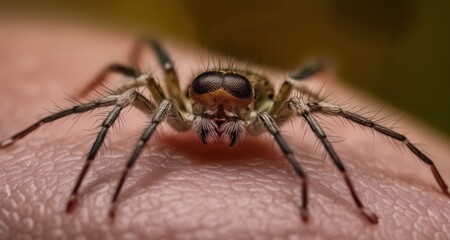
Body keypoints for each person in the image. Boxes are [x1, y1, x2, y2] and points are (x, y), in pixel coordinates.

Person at [0, 18, 449, 239]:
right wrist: (104, 186)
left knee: (309, 97)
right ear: (190, 97)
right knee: (131, 79)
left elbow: (303, 101)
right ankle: (74, 168)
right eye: (209, 106)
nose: (218, 121)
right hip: (193, 104)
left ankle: (374, 178)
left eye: (230, 107)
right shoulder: (174, 105)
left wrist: (325, 185)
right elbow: (145, 87)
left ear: (250, 102)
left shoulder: (266, 109)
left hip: (266, 102)